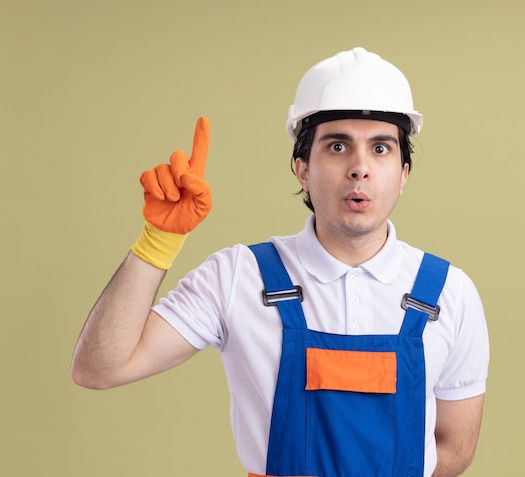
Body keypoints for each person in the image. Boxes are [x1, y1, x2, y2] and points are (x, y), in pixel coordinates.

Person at [72, 47, 489, 477]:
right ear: (302, 169)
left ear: (403, 173)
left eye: (380, 148)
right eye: (338, 145)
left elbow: (455, 449)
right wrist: (157, 243)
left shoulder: (448, 294)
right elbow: (98, 369)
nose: (359, 168)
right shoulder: (237, 277)